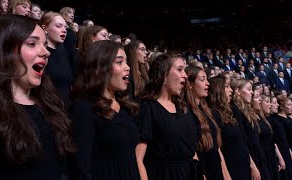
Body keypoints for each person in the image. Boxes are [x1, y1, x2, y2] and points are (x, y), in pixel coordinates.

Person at [0, 14, 76, 180]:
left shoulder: (49, 104)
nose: (46, 52)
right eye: (32, 44)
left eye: (45, 45)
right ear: (3, 50)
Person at [69, 40, 140, 180]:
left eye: (126, 62)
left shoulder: (125, 107)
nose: (128, 67)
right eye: (119, 62)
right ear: (101, 67)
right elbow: (80, 166)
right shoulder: (84, 108)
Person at [136, 54, 201, 180]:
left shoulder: (184, 108)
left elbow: (192, 152)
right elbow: (138, 158)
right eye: (179, 69)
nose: (185, 75)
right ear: (164, 75)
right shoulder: (148, 108)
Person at [185, 66, 231, 180]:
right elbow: (192, 150)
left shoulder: (207, 111)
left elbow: (216, 148)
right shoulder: (186, 112)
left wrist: (227, 175)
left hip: (215, 168)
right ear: (190, 85)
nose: (208, 84)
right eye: (202, 79)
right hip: (202, 170)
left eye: (206, 79)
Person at [207, 75, 250, 180]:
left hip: (243, 166)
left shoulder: (230, 112)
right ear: (218, 90)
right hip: (231, 169)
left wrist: (252, 165)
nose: (231, 90)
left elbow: (242, 143)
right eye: (226, 87)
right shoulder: (213, 115)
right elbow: (218, 149)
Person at [230, 79, 266, 180]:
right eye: (249, 89)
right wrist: (252, 165)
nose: (252, 92)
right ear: (238, 91)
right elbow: (243, 141)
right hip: (249, 159)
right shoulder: (236, 111)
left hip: (257, 156)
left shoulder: (247, 111)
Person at [39, 11, 74, 110]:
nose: (64, 30)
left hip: (66, 110)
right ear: (44, 28)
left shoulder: (63, 52)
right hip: (48, 111)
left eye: (65, 28)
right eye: (58, 26)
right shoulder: (40, 54)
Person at [252, 92, 280, 179]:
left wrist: (278, 158)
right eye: (267, 102)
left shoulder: (262, 118)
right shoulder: (252, 118)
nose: (270, 105)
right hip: (263, 157)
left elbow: (272, 142)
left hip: (271, 156)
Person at [269, 96, 292, 179]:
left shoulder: (288, 119)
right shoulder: (276, 119)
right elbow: (283, 141)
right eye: (289, 104)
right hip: (286, 152)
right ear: (282, 107)